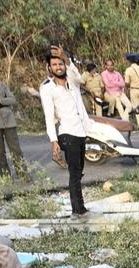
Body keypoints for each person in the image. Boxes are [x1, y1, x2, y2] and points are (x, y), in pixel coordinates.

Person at [40, 49, 90, 216]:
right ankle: (78, 210)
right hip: (67, 133)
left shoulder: (72, 81)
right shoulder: (47, 88)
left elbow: (80, 79)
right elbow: (48, 116)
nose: (58, 67)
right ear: (49, 67)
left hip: (81, 131)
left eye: (60, 63)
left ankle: (80, 206)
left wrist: (67, 59)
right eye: (54, 64)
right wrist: (53, 140)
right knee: (74, 173)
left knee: (79, 171)